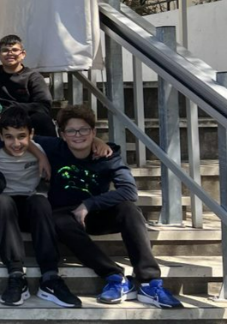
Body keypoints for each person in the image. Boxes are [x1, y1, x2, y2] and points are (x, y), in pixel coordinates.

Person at [39, 104, 183, 309]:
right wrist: (40, 155)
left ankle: (148, 282)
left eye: (84, 130)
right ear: (62, 134)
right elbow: (21, 138)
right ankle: (115, 277)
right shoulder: (53, 147)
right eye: (71, 131)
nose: (78, 135)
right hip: (66, 218)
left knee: (129, 209)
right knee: (57, 220)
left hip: (96, 214)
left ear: (94, 131)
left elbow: (129, 191)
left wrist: (89, 204)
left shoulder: (108, 155)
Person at [0, 107, 75, 307]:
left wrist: (98, 142)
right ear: (0, 135)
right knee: (2, 201)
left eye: (22, 137)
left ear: (32, 135)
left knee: (40, 201)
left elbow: (73, 143)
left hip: (27, 210)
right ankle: (16, 275)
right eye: (9, 137)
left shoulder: (42, 148)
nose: (16, 143)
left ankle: (51, 277)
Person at [0, 34, 56, 137]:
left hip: (26, 117)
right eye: (5, 50)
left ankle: (52, 151)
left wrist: (9, 109)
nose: (10, 53)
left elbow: (43, 106)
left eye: (14, 50)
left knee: (42, 119)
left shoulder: (33, 77)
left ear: (23, 54)